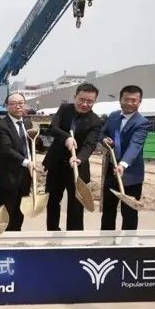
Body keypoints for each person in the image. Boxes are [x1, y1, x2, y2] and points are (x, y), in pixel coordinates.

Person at [42, 83, 103, 231]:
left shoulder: (95, 121)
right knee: (53, 201)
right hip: (56, 164)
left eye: (90, 101)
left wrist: (79, 158)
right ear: (75, 97)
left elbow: (90, 144)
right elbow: (53, 128)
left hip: (77, 166)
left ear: (95, 101)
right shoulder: (64, 109)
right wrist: (67, 138)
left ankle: (74, 235)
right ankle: (53, 232)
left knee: (76, 204)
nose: (85, 104)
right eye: (81, 99)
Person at [99, 85, 151, 230]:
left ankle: (128, 241)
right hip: (111, 170)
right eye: (126, 99)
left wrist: (123, 164)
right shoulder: (113, 116)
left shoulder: (142, 123)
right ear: (120, 99)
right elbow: (102, 133)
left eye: (134, 100)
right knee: (108, 210)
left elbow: (135, 145)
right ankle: (106, 240)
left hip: (131, 173)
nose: (129, 103)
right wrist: (104, 140)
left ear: (140, 102)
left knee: (129, 213)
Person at [0, 93, 37, 231]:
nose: (18, 106)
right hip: (8, 177)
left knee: (19, 213)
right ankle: (4, 240)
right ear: (7, 106)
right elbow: (6, 150)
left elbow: (29, 147)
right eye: (13, 104)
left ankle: (16, 236)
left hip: (25, 177)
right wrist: (27, 162)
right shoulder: (0, 126)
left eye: (21, 103)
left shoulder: (27, 123)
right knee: (6, 214)